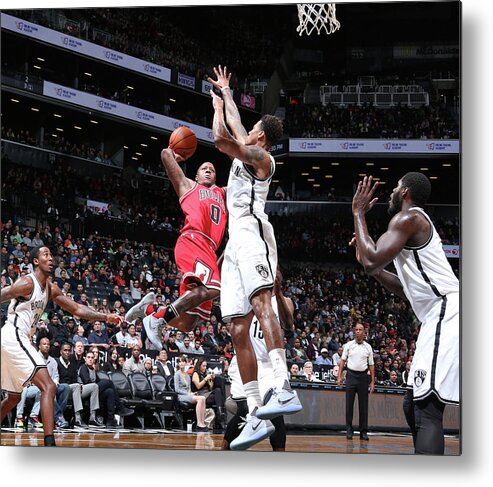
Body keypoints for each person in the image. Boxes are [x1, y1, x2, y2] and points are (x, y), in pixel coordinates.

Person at [209, 64, 301, 450]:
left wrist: (216, 107)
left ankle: (281, 386)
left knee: (263, 303)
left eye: (250, 131)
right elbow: (235, 127)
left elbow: (220, 138)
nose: (245, 132)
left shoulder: (262, 158)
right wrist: (227, 94)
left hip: (252, 232)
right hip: (235, 242)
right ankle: (251, 411)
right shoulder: (249, 147)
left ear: (259, 135)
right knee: (235, 326)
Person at [350, 172, 459, 454]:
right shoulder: (409, 225)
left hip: (448, 310)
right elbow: (401, 285)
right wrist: (372, 268)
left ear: (406, 192)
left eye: (395, 187)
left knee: (427, 409)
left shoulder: (408, 219)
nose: (391, 192)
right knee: (413, 405)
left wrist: (359, 213)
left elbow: (373, 256)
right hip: (436, 313)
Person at [0, 246, 122, 446]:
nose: (51, 258)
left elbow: (76, 308)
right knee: (49, 386)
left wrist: (105, 316)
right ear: (35, 261)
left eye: (51, 254)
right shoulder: (26, 283)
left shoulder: (50, 288)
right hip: (13, 335)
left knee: (13, 398)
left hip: (14, 339)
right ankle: (50, 444)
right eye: (45, 255)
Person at [124, 147, 227, 349]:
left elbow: (243, 184)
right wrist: (175, 155)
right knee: (213, 288)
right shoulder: (189, 186)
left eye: (212, 169)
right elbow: (164, 154)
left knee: (189, 323)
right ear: (195, 175)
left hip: (209, 249)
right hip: (193, 239)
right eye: (204, 168)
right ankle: (158, 319)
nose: (208, 170)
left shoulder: (222, 193)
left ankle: (149, 308)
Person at [223, 269, 295, 451]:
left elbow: (288, 325)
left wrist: (278, 294)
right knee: (244, 411)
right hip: (247, 362)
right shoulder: (249, 298)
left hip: (270, 365)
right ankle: (223, 450)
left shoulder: (284, 301)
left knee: (276, 412)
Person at [337, 323, 375, 441]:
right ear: (354, 332)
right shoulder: (348, 345)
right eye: (356, 329)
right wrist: (339, 376)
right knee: (349, 404)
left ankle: (363, 431)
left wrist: (372, 381)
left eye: (360, 330)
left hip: (363, 377)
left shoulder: (368, 347)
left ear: (364, 332)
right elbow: (342, 362)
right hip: (351, 376)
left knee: (363, 406)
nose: (358, 331)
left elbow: (371, 365)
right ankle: (349, 430)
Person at [57, 341, 99, 428]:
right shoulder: (57, 362)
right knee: (76, 386)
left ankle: (92, 418)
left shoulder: (72, 365)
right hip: (62, 388)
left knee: (94, 386)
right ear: (61, 352)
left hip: (74, 388)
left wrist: (80, 385)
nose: (67, 352)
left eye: (69, 350)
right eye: (65, 350)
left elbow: (75, 378)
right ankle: (78, 418)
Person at [173, 355, 208, 432]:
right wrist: (188, 394)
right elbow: (177, 389)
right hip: (181, 396)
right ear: (178, 364)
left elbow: (188, 389)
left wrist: (192, 393)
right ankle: (199, 423)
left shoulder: (188, 376)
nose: (181, 363)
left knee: (203, 398)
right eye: (180, 361)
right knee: (200, 399)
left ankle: (202, 422)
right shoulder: (177, 374)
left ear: (185, 363)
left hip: (188, 395)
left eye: (183, 361)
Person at [191, 357, 226, 427]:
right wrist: (205, 379)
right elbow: (198, 386)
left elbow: (210, 388)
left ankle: (220, 412)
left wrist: (211, 381)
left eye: (206, 366)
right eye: (203, 366)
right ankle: (220, 412)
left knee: (218, 391)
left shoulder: (205, 374)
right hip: (201, 394)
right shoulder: (195, 374)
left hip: (208, 393)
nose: (205, 368)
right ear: (199, 366)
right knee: (218, 392)